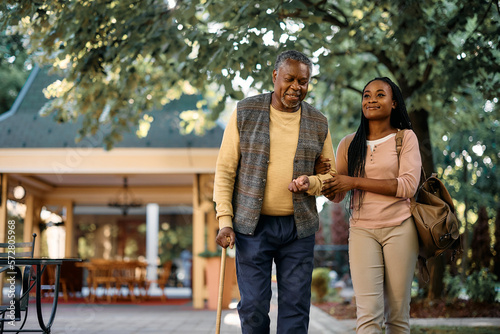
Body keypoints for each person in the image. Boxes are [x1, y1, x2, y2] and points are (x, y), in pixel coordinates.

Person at [213, 50, 335, 333]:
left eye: (303, 81)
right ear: (275, 77)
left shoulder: (318, 122)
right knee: (254, 306)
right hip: (251, 227)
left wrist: (311, 183)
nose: (296, 87)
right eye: (289, 79)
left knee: (295, 307)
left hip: (298, 228)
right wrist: (225, 221)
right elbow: (226, 170)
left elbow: (329, 175)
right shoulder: (245, 111)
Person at [321, 77, 421, 333]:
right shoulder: (348, 144)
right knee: (367, 317)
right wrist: (324, 179)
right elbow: (337, 195)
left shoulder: (405, 138)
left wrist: (353, 181)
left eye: (380, 95)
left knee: (397, 316)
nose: (371, 100)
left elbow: (407, 186)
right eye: (366, 95)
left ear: (394, 103)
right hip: (362, 231)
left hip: (400, 229)